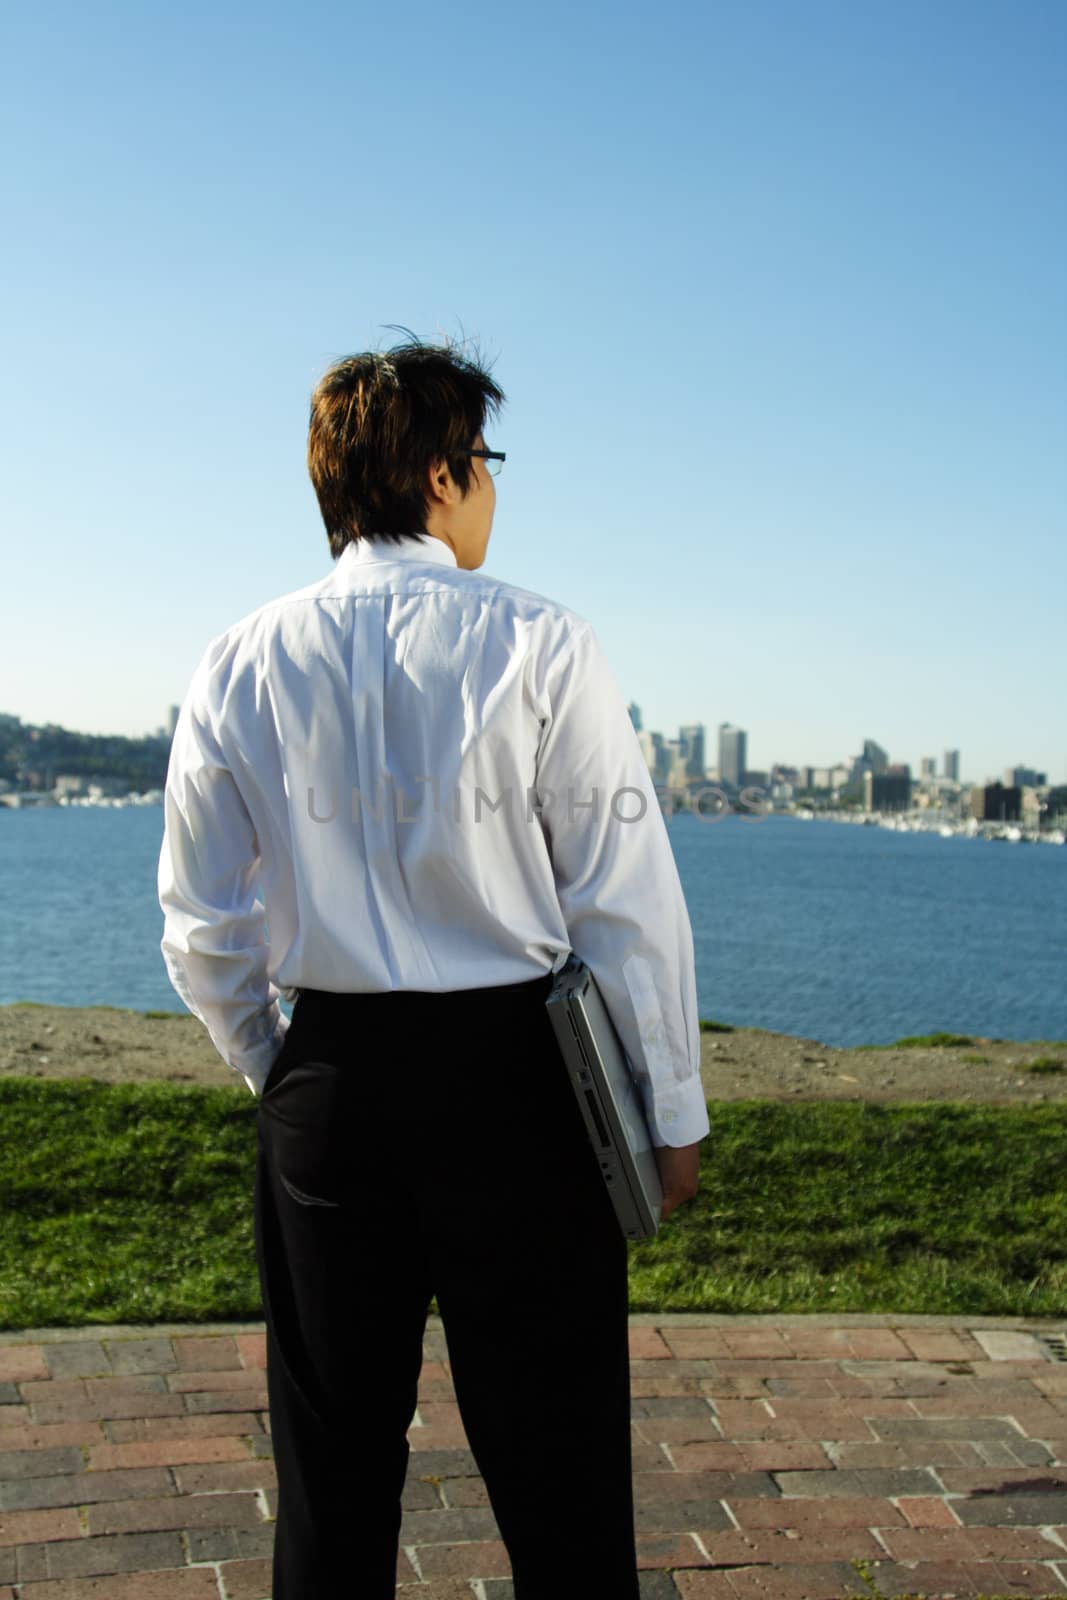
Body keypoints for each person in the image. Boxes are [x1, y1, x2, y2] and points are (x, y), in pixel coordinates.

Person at [157, 337, 710, 1600]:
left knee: (332, 1473)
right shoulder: (541, 640)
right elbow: (623, 905)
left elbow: (199, 922)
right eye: (485, 461)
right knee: (559, 1470)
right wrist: (668, 1110)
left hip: (333, 1081)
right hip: (522, 1087)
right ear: (445, 474)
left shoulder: (237, 655)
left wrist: (282, 1063)